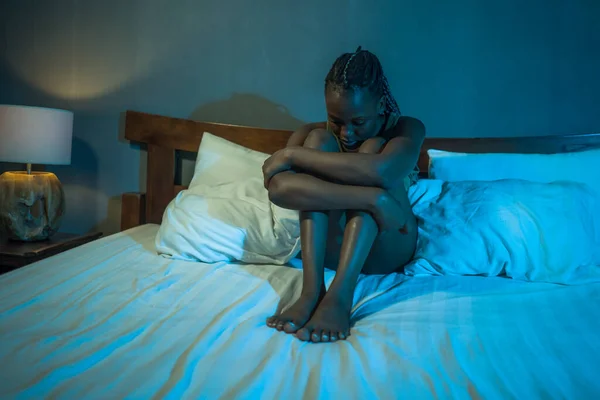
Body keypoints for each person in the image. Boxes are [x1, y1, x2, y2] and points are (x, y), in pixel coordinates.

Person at [263, 47, 425, 343]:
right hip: (333, 251)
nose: (346, 133)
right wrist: (374, 200)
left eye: (357, 122)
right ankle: (312, 290)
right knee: (318, 140)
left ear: (379, 105)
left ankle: (341, 295)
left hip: (390, 244)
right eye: (336, 120)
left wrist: (291, 157)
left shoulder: (406, 129)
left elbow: (382, 174)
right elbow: (279, 189)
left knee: (372, 150)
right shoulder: (312, 137)